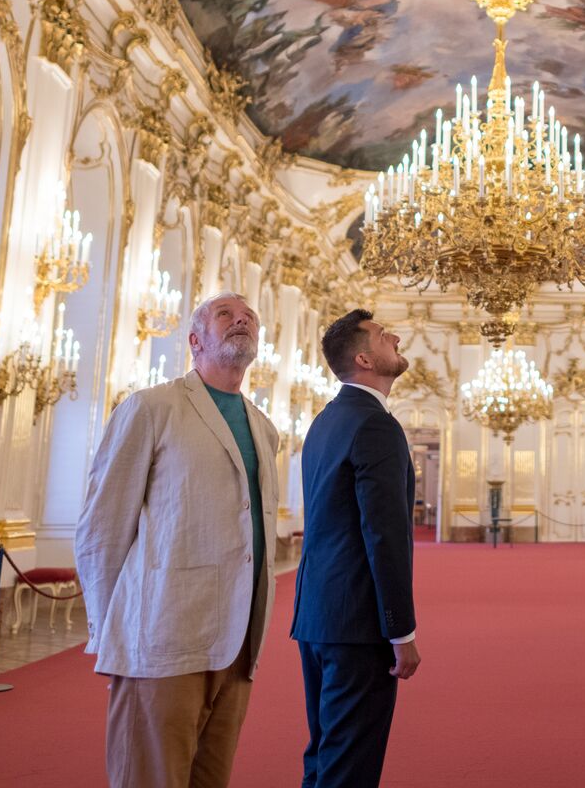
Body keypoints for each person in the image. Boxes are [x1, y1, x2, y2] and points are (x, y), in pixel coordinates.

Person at [76, 293, 281, 788]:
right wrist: (113, 633)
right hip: (162, 634)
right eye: (226, 316)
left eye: (249, 317)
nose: (242, 321)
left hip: (237, 639)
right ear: (195, 340)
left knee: (209, 778)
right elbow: (101, 529)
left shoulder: (265, 427)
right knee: (151, 777)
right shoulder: (152, 408)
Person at [291, 309, 419, 788]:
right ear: (364, 358)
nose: (397, 338)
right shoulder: (375, 426)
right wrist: (400, 632)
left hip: (317, 616)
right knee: (349, 768)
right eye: (385, 336)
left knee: (325, 754)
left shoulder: (325, 421)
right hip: (358, 625)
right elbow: (383, 535)